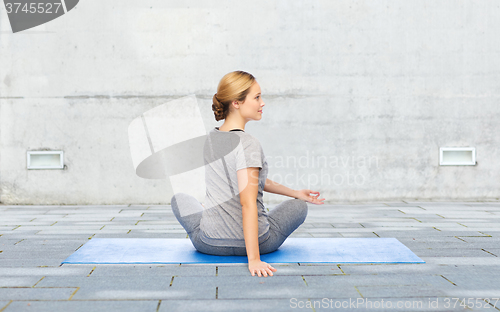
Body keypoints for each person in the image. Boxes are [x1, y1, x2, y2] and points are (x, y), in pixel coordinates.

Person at [171, 70, 325, 277]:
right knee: (298, 208)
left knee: (179, 199)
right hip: (261, 244)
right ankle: (227, 226)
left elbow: (251, 181)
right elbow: (247, 202)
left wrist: (294, 191)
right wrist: (254, 259)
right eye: (257, 97)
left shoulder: (211, 139)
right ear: (236, 103)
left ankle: (208, 212)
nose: (262, 103)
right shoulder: (248, 144)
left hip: (209, 243)